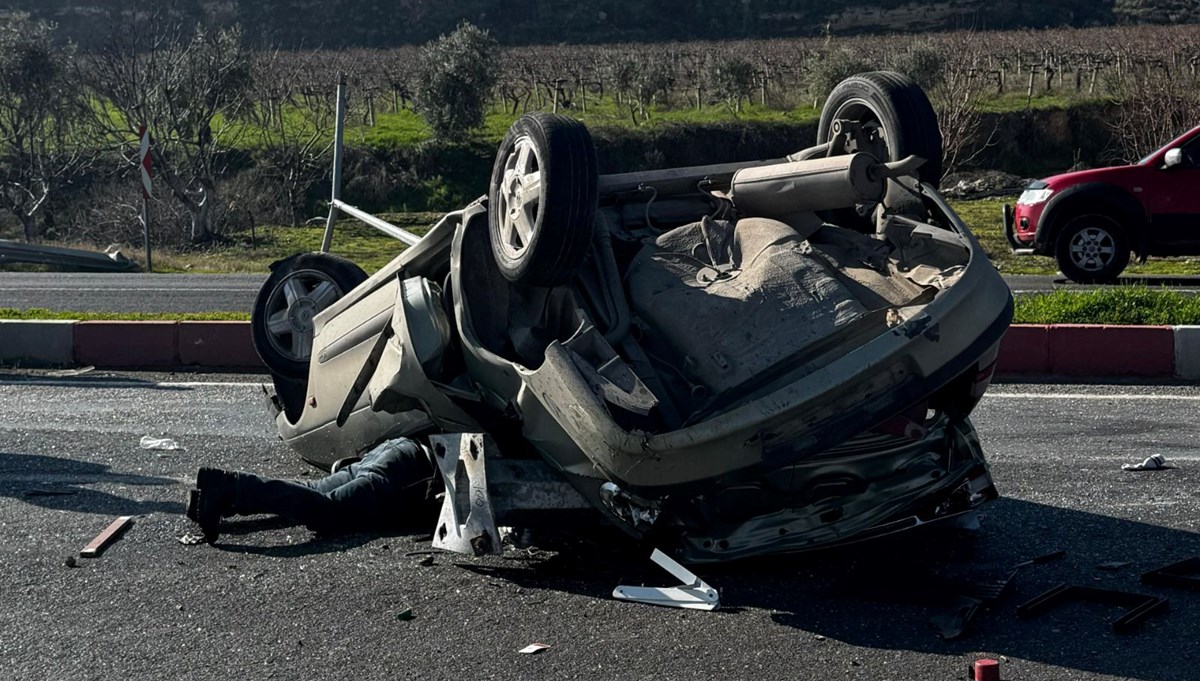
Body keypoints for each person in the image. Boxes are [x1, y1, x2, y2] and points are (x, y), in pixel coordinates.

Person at [186, 437, 443, 543]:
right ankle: (228, 487)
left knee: (312, 491)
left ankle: (218, 500)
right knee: (326, 510)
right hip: (411, 471)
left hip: (399, 450)